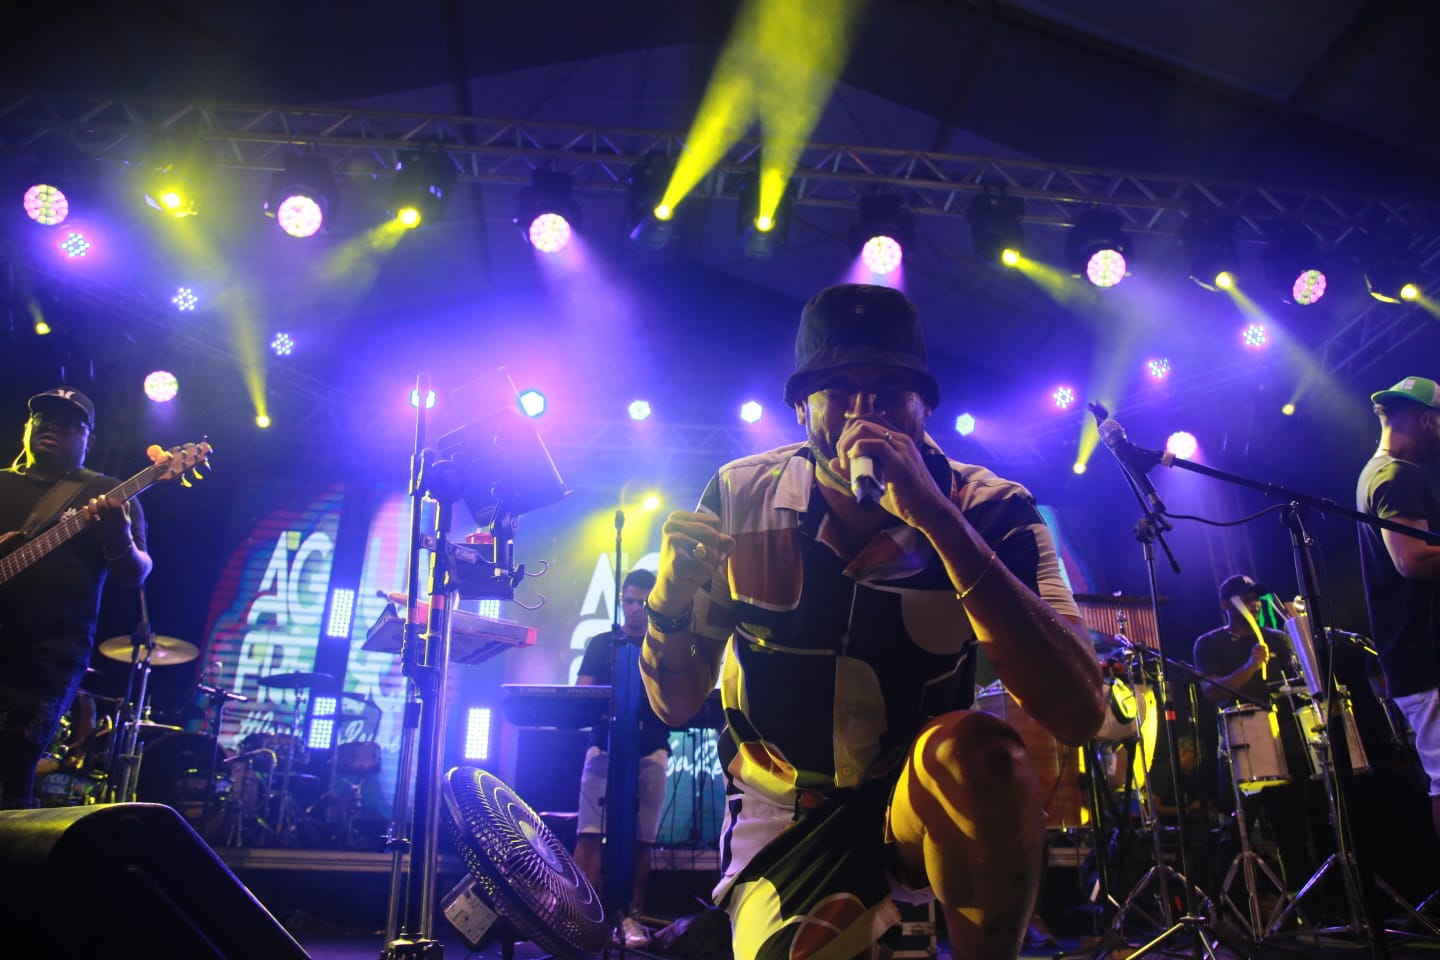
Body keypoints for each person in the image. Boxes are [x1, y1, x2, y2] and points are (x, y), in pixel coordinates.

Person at [639, 284, 1106, 960]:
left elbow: (1080, 712)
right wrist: (669, 600)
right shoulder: (740, 494)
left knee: (985, 755)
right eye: (838, 389)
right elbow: (675, 703)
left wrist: (938, 518)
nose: (865, 411)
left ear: (924, 406)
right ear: (802, 407)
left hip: (920, 803)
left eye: (889, 389)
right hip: (787, 817)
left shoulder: (991, 507)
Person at [0, 387, 152, 808]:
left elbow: (135, 574)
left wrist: (119, 537)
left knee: (11, 776)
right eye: (43, 418)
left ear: (90, 440)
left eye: (70, 424)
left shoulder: (108, 493)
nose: (52, 427)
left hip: (46, 658)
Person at [1356, 375, 1440, 841]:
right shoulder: (1397, 475)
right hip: (1426, 658)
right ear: (1428, 420)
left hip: (1417, 657)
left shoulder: (1379, 472)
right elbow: (1413, 560)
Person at [1193, 574, 1314, 888]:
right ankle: (1232, 907)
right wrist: (1250, 666)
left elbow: (1300, 682)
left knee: (1293, 832)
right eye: (1245, 598)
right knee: (1236, 832)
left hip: (1284, 742)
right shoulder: (1210, 643)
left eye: (1256, 597)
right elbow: (1211, 691)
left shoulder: (1278, 639)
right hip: (1241, 746)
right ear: (1226, 605)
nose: (1254, 603)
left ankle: (1306, 905)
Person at [574, 567, 672, 947]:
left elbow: (676, 699)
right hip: (603, 747)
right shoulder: (602, 644)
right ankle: (582, 918)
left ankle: (632, 915)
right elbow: (583, 696)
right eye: (629, 601)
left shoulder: (664, 646)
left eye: (642, 603)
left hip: (651, 751)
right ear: (621, 601)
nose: (634, 609)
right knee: (589, 834)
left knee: (642, 840)